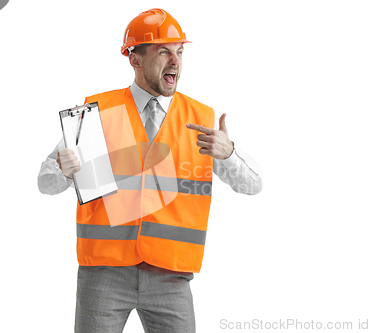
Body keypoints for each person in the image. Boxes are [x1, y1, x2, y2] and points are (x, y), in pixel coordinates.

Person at [38, 8, 262, 333]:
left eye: (180, 52)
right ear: (135, 59)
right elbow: (45, 182)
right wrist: (62, 170)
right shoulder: (99, 113)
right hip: (104, 274)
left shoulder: (200, 119)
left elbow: (254, 185)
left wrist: (229, 154)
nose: (175, 61)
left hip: (170, 276)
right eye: (163, 52)